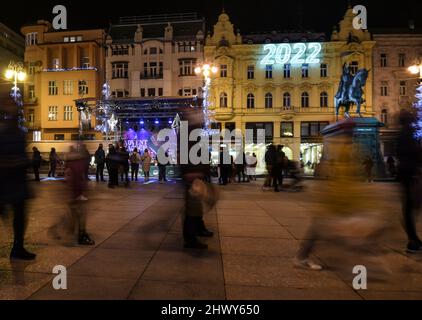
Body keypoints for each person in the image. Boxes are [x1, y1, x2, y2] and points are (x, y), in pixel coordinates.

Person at [0, 96, 36, 260]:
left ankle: (18, 247)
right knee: (18, 216)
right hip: (8, 181)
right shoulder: (5, 131)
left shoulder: (17, 131)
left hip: (16, 182)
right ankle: (17, 248)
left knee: (20, 216)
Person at [397, 109, 422, 253]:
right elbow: (411, 153)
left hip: (407, 173)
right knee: (410, 207)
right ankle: (413, 240)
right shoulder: (406, 134)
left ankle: (413, 239)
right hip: (410, 174)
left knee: (410, 207)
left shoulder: (405, 133)